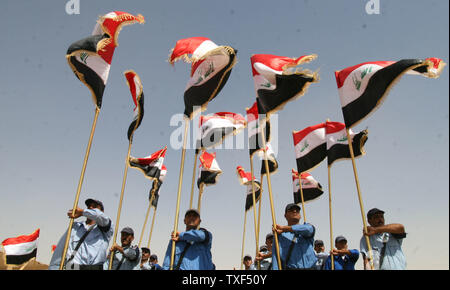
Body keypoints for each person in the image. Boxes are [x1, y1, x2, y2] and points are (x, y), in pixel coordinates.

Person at [49, 198, 113, 270]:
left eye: (94, 206)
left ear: (102, 212)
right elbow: (59, 253)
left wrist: (82, 212)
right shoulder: (74, 227)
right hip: (73, 268)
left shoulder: (106, 229)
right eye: (89, 206)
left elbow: (101, 217)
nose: (90, 208)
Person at [272, 203, 317, 270]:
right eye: (291, 210)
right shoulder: (279, 236)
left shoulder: (306, 227)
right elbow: (276, 259)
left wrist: (285, 228)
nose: (295, 211)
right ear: (285, 215)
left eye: (297, 210)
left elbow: (309, 229)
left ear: (300, 215)